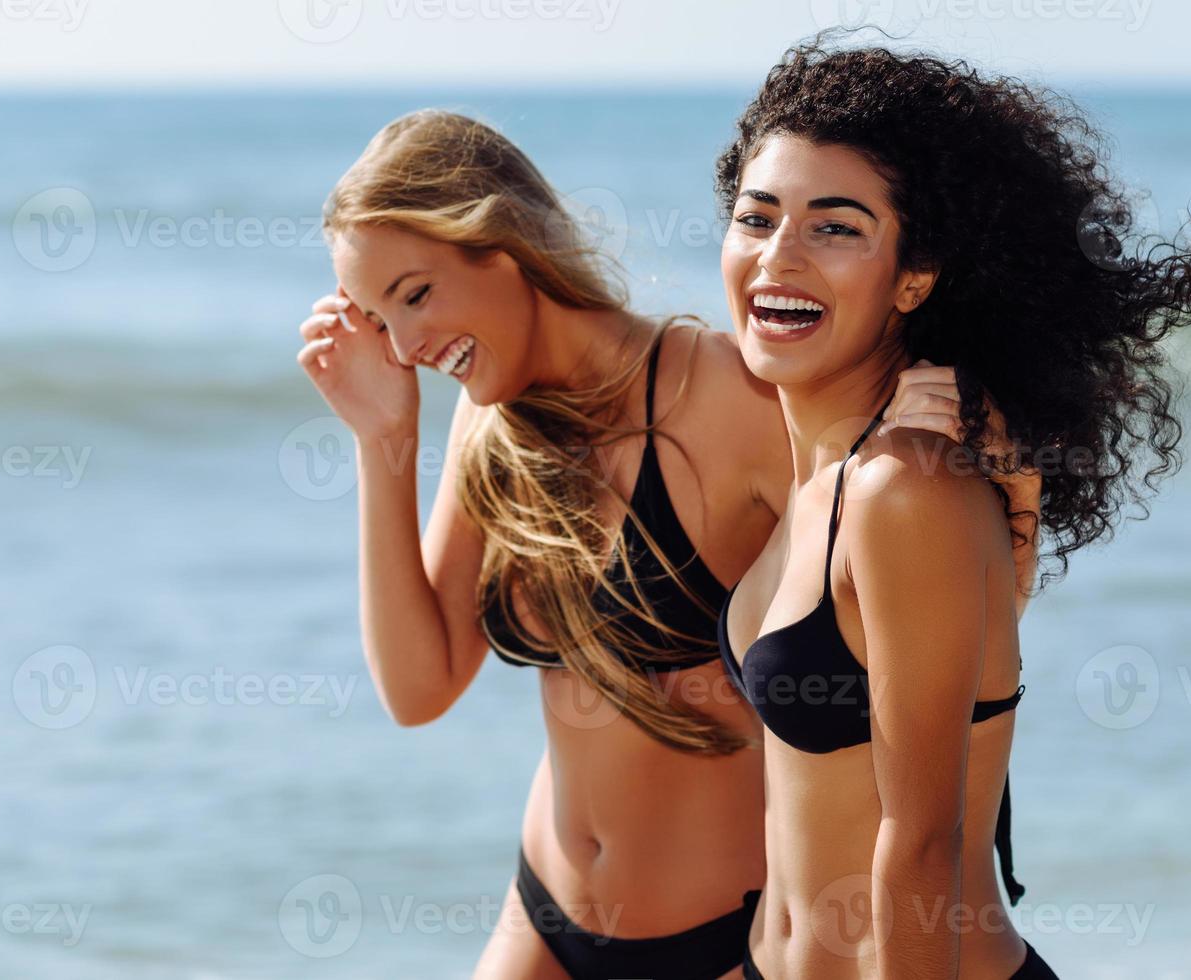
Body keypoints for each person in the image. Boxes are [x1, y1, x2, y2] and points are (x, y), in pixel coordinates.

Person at [296, 108, 1042, 979]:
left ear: (503, 247)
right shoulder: (490, 426)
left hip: (720, 941)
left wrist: (998, 477)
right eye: (381, 320)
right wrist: (383, 441)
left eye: (415, 295)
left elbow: (906, 595)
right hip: (541, 914)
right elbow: (418, 689)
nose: (406, 347)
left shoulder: (727, 392)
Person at [714, 41, 1191, 979]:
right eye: (756, 217)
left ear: (913, 278)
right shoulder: (829, 477)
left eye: (835, 227)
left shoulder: (901, 485)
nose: (777, 255)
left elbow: (922, 848)